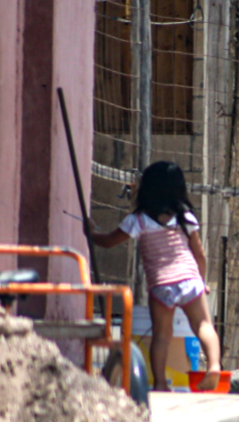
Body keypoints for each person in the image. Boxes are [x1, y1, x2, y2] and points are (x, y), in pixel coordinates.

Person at [85, 161, 222, 391]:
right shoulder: (185, 217)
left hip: (161, 285)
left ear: (146, 188)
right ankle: (214, 366)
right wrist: (203, 281)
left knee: (161, 335)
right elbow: (199, 253)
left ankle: (159, 383)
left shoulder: (137, 220)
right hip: (190, 280)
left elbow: (109, 241)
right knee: (204, 325)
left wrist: (91, 233)